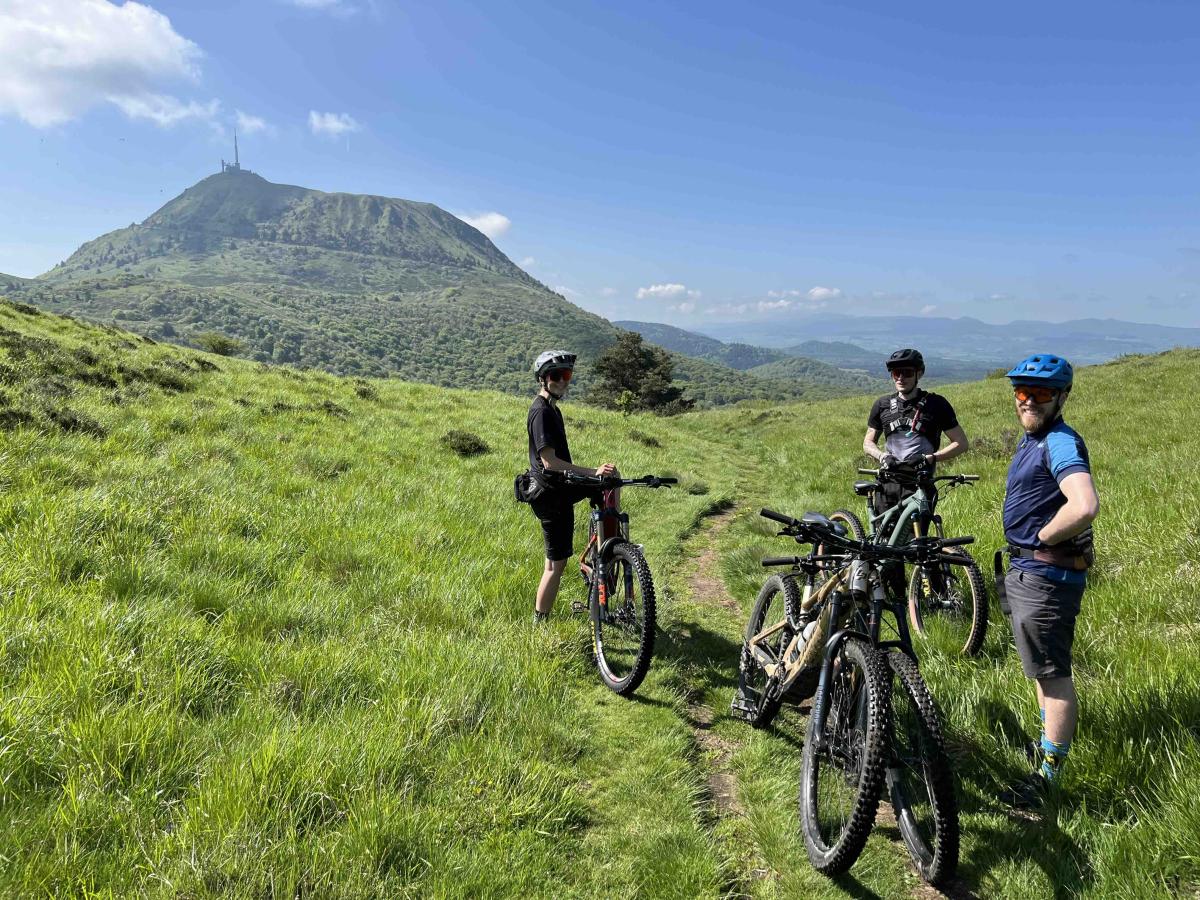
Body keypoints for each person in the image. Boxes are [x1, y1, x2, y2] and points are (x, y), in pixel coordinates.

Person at [999, 353, 1099, 806]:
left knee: (1053, 676)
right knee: (1040, 670)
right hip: (1030, 573)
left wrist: (1042, 536)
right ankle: (1045, 749)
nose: (1028, 400)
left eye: (1040, 393)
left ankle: (1048, 780)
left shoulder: (1059, 442)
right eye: (1022, 391)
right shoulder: (1033, 438)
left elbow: (1084, 504)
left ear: (1062, 397)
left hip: (1045, 577)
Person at [526, 350, 620, 623]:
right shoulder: (541, 412)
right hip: (551, 494)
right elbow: (550, 462)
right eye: (556, 376)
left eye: (566, 375)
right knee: (554, 566)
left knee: (610, 480)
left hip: (559, 488)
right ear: (543, 379)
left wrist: (596, 476)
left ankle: (610, 548)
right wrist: (592, 472)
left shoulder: (552, 409)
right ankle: (540, 623)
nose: (562, 381)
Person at [863, 348, 970, 472]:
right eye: (896, 373)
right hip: (889, 477)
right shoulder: (882, 404)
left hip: (921, 479)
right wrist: (882, 456)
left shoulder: (936, 404)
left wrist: (931, 458)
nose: (901, 378)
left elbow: (961, 443)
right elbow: (868, 442)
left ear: (919, 374)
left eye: (907, 373)